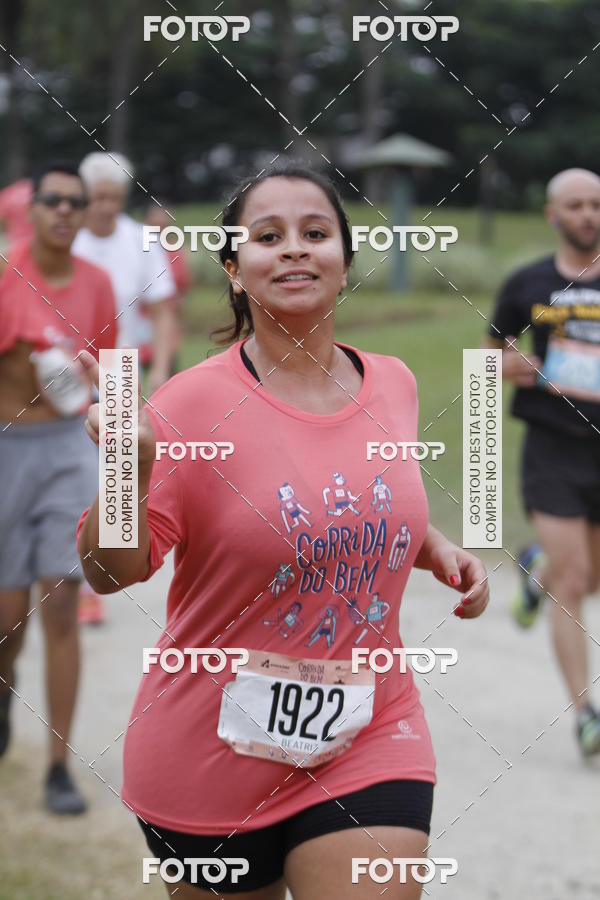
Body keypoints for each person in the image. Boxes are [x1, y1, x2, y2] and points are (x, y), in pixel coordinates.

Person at [78, 162, 489, 898]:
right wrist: (125, 474)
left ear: (344, 261)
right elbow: (111, 574)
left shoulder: (394, 381)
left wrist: (433, 547)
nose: (295, 247)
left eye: (315, 232)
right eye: (268, 237)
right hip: (209, 747)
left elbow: (355, 496)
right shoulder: (189, 405)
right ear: (234, 272)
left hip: (371, 729)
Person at [0, 161, 117, 813]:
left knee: (63, 607)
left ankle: (58, 768)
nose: (66, 211)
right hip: (8, 450)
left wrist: (122, 466)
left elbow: (112, 375)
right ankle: (4, 689)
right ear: (33, 209)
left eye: (77, 201)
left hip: (70, 448)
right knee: (7, 618)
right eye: (54, 200)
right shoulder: (6, 273)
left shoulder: (97, 284)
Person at [486, 167, 600, 757]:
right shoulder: (527, 282)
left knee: (590, 577)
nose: (588, 215)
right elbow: (485, 360)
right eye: (575, 205)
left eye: (596, 205)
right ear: (553, 215)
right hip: (553, 448)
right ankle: (586, 714)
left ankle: (535, 569)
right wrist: (513, 367)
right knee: (574, 581)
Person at [73, 152, 176, 624]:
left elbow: (164, 310)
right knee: (73, 470)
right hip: (65, 371)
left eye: (115, 198)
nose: (107, 207)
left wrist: (162, 369)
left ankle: (105, 570)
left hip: (118, 370)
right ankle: (72, 579)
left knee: (115, 471)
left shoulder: (140, 241)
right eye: (98, 198)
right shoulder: (69, 239)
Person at [144, 200, 193, 376]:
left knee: (166, 376)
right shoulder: (135, 249)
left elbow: (183, 286)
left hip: (166, 324)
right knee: (125, 384)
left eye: (163, 227)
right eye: (155, 227)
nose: (159, 231)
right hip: (136, 324)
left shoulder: (176, 251)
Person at [0, 177, 34, 248]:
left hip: (14, 241)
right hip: (34, 241)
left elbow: (2, 221)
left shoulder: (8, 192)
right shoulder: (36, 191)